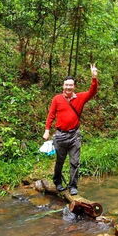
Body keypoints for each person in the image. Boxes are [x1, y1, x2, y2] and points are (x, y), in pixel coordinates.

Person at [43, 64, 98, 195]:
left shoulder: (80, 97)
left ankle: (73, 186)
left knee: (75, 162)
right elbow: (51, 115)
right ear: (63, 86)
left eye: (71, 85)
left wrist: (94, 77)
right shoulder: (57, 99)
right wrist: (47, 130)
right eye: (66, 85)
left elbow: (93, 91)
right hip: (60, 136)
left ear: (74, 86)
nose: (68, 87)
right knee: (60, 161)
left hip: (74, 135)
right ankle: (57, 182)